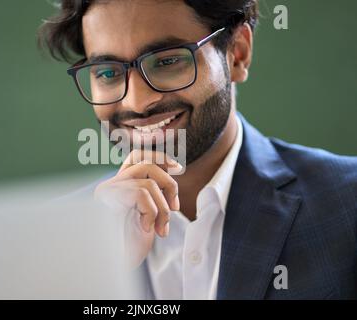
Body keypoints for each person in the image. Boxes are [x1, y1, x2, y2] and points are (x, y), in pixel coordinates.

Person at [39, 0, 357, 299]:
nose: (137, 101)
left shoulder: (347, 203)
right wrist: (97, 278)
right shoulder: (53, 237)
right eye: (108, 72)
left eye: (167, 61)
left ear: (237, 54)